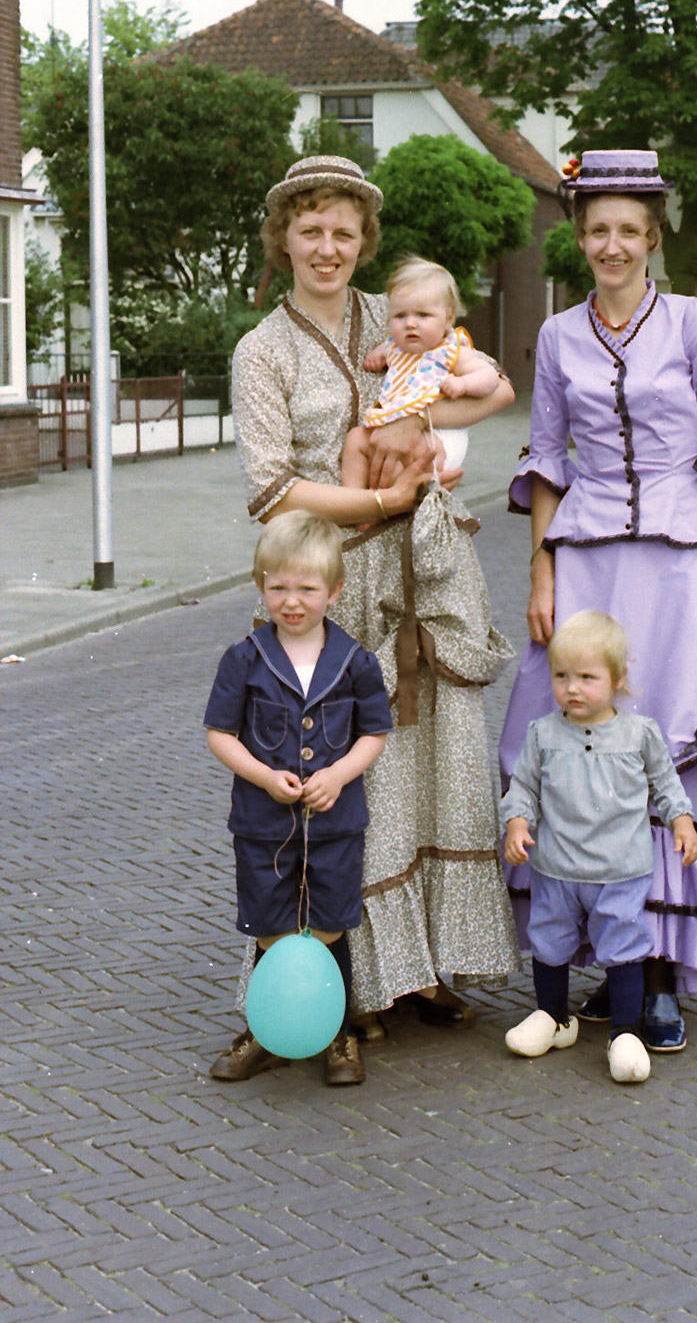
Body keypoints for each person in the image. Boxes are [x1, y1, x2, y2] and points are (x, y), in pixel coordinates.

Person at [223, 155, 520, 1079]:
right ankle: (323, 985)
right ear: (285, 239)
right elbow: (274, 492)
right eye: (310, 231)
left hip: (425, 569)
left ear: (364, 245)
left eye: (343, 233)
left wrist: (442, 441)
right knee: (327, 779)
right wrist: (380, 507)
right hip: (325, 580)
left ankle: (421, 969)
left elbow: (486, 376)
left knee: (434, 757)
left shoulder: (389, 319)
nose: (326, 248)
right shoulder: (260, 351)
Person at [498, 148, 697, 1055]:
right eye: (597, 230)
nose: (612, 245)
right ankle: (585, 963)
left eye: (629, 230)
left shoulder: (694, 324)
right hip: (585, 565)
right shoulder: (558, 337)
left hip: (679, 568)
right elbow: (545, 458)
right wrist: (541, 571)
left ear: (652, 238)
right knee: (572, 743)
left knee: (667, 749)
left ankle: (656, 977)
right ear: (579, 239)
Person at [205, 512, 392, 1085]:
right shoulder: (244, 658)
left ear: (333, 591)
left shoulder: (356, 660)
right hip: (264, 826)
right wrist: (263, 776)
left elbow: (374, 734)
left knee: (332, 924)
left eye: (307, 589)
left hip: (335, 825)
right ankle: (267, 1031)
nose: (292, 601)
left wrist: (339, 775)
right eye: (278, 587)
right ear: (261, 584)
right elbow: (219, 734)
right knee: (271, 924)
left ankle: (338, 1034)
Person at [502, 612, 697, 1084]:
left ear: (618, 679)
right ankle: (553, 1017)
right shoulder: (543, 734)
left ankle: (624, 1033)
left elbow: (665, 782)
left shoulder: (639, 734)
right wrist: (516, 822)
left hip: (620, 870)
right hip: (557, 868)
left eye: (587, 678)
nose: (572, 688)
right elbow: (523, 786)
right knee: (549, 942)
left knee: (623, 945)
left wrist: (682, 820)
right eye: (561, 676)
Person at [341, 256, 499, 483]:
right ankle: (354, 502)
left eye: (423, 315)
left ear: (449, 318)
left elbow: (490, 377)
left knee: (418, 456)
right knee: (356, 439)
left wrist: (463, 384)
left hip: (440, 431)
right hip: (395, 423)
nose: (410, 323)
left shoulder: (450, 350)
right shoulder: (394, 346)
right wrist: (375, 358)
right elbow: (379, 353)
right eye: (400, 316)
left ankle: (395, 504)